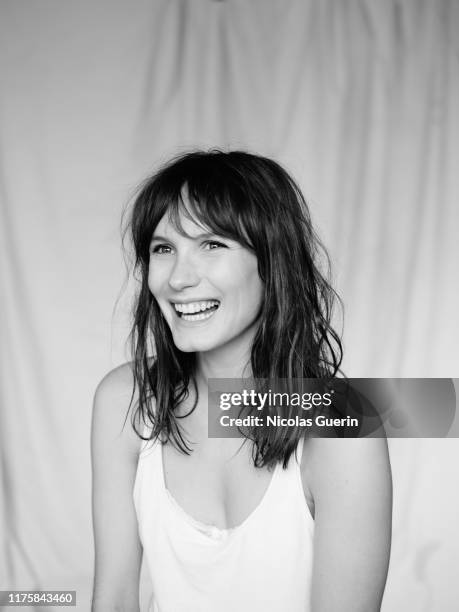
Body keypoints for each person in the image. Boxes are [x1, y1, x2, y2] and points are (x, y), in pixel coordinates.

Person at [91, 150, 392, 611]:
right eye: (163, 248)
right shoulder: (125, 399)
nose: (179, 278)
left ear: (272, 265)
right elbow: (112, 599)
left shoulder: (342, 427)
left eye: (213, 244)